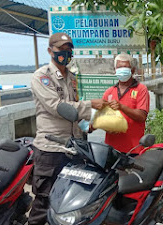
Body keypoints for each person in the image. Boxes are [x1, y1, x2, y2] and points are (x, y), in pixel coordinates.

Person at [28, 33, 107, 225]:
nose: (65, 53)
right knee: (45, 200)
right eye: (61, 50)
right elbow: (58, 107)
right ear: (50, 51)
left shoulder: (71, 77)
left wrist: (86, 126)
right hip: (51, 150)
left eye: (69, 50)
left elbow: (74, 111)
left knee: (70, 201)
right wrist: (91, 105)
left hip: (74, 149)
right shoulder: (42, 76)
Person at [102, 53, 150, 154]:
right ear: (115, 70)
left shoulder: (141, 89)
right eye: (119, 67)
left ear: (132, 70)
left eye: (126, 67)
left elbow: (142, 116)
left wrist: (121, 107)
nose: (122, 70)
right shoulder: (109, 92)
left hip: (134, 150)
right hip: (111, 149)